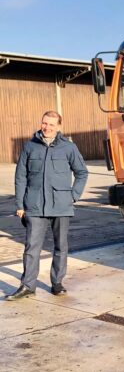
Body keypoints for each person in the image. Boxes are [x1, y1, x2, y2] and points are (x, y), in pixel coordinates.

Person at [7, 110, 88, 300]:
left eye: (51, 124)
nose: (47, 127)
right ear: (41, 123)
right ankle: (27, 286)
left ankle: (57, 283)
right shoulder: (30, 147)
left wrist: (73, 196)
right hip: (34, 206)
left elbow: (82, 172)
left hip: (61, 205)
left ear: (58, 126)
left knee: (61, 246)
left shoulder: (68, 148)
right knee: (31, 247)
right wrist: (20, 204)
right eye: (44, 123)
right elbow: (20, 177)